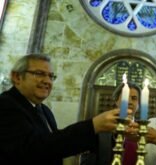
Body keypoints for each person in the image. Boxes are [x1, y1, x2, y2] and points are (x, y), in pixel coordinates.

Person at [0, 54, 136, 165]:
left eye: (51, 76)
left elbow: (56, 144)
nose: (47, 81)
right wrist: (92, 126)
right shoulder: (5, 105)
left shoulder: (44, 110)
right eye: (39, 74)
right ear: (17, 77)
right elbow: (32, 149)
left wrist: (108, 133)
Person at [80, 82, 141, 165]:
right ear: (116, 101)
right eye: (125, 97)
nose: (129, 102)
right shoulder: (101, 127)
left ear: (139, 104)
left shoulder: (142, 130)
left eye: (134, 98)